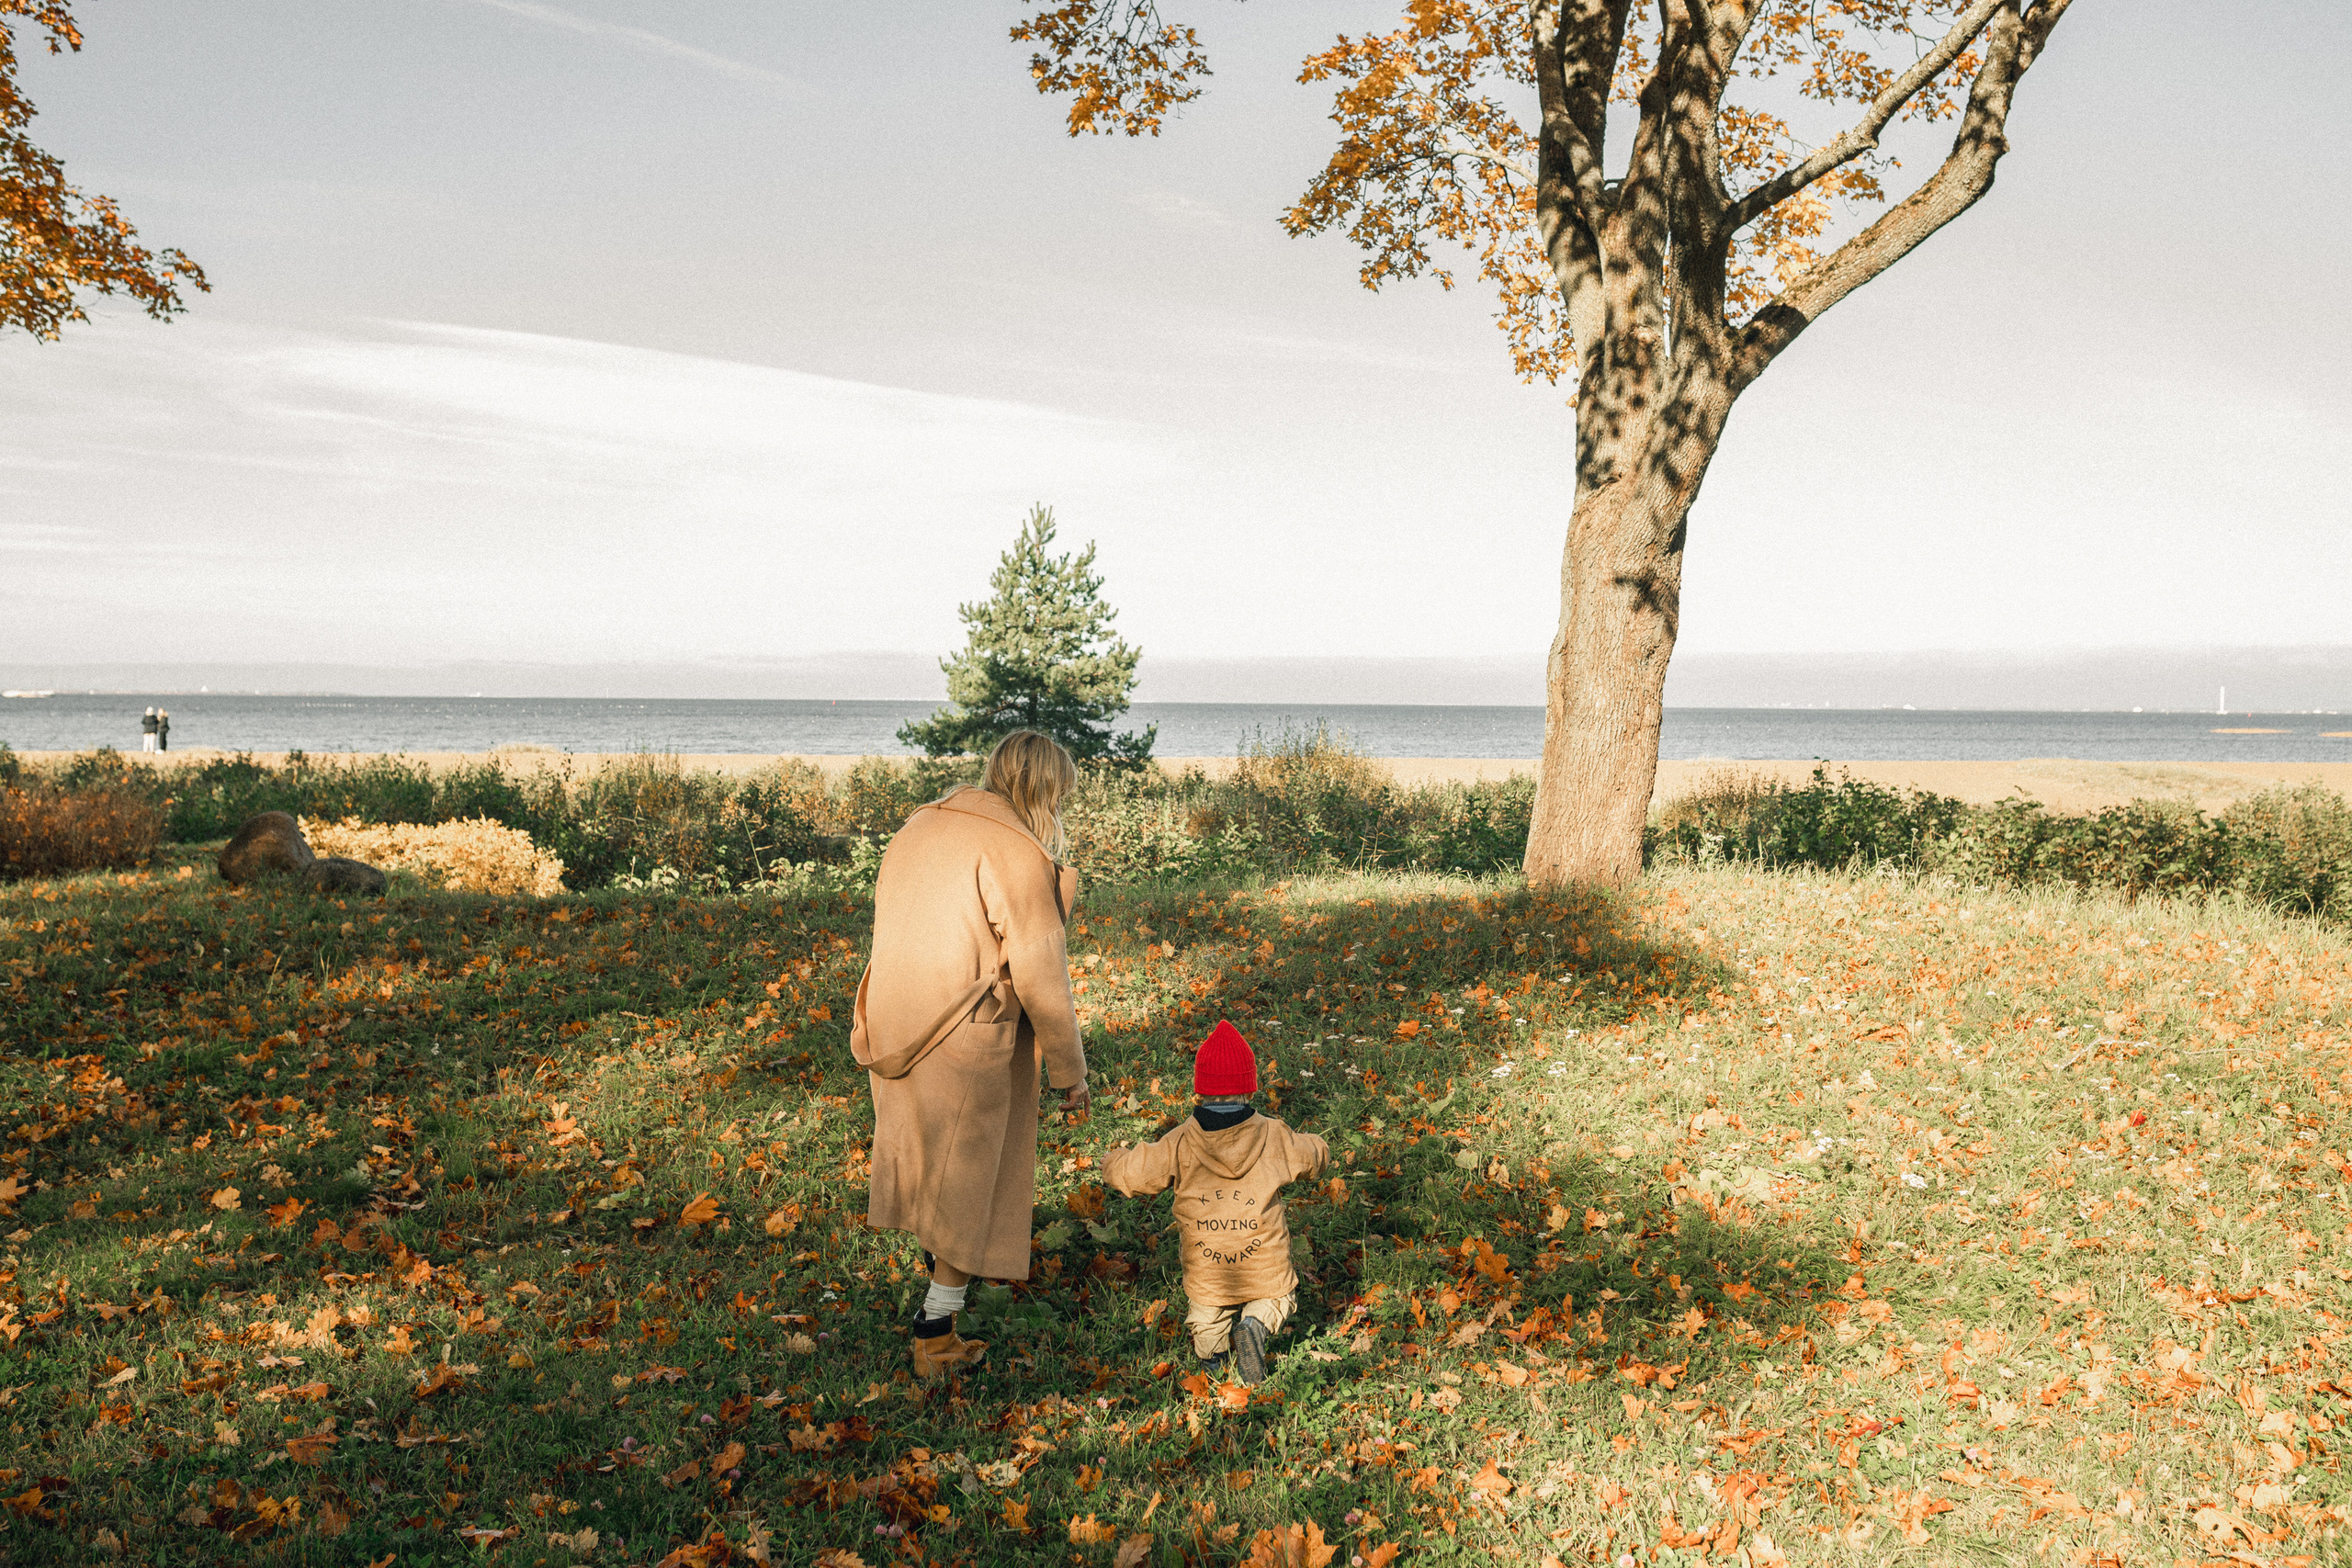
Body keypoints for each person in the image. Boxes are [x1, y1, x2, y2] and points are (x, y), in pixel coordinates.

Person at [853, 730, 1091, 1379]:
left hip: (897, 1018)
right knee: (968, 1173)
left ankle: (938, 1282)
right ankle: (935, 1329)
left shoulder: (919, 824)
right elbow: (1043, 975)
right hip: (961, 1029)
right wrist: (1072, 1072)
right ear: (1045, 789)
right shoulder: (1013, 849)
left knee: (926, 1152)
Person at [1102, 1019, 1329, 1385]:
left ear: (1201, 1089)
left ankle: (1213, 1365)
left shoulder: (1179, 1142)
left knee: (1206, 1319)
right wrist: (1322, 1147)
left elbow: (1137, 1171)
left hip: (1209, 1269)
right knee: (1277, 1297)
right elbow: (1312, 1156)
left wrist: (1113, 1163)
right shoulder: (1274, 1135)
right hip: (1263, 1265)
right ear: (1249, 1088)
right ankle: (1254, 1326)